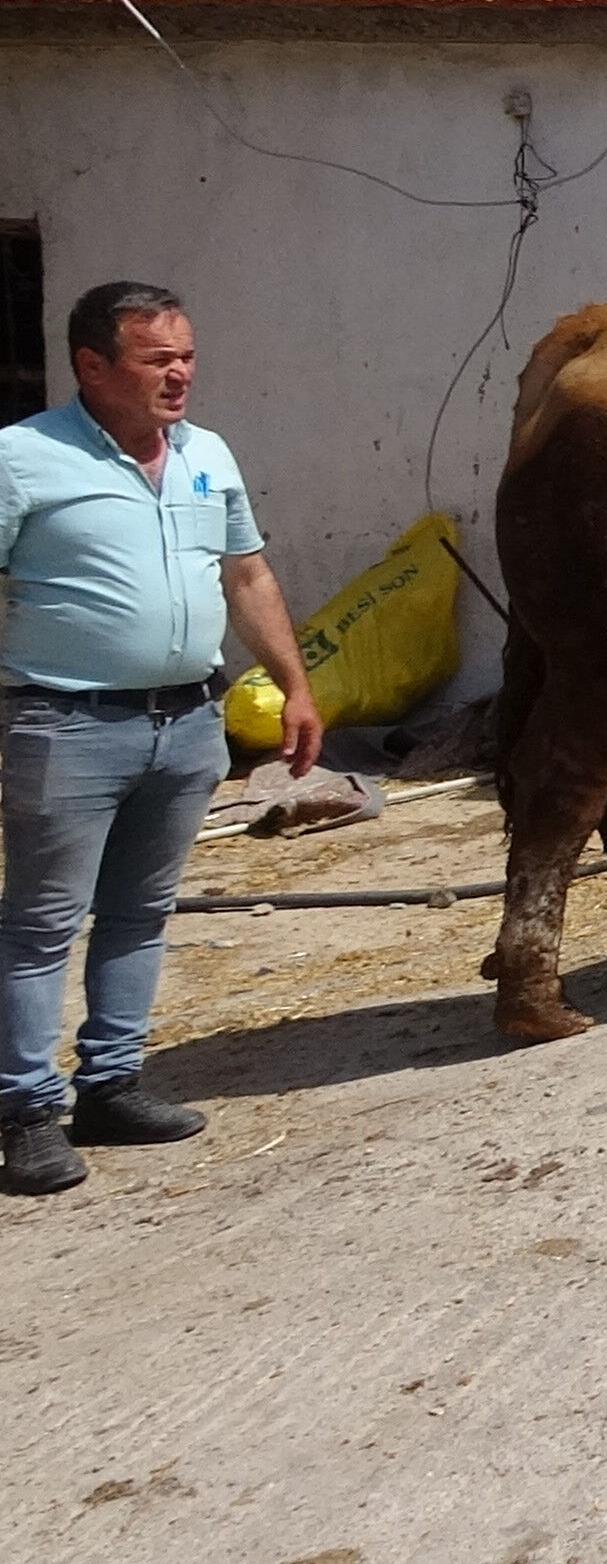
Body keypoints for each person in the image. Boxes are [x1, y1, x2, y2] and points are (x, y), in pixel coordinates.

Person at [1, 283, 318, 1198]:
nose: (180, 374)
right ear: (92, 365)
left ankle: (111, 1085)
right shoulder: (24, 457)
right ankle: (25, 1113)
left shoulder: (205, 454)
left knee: (141, 914)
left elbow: (246, 574)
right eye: (156, 359)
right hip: (66, 723)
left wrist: (297, 685)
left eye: (186, 356)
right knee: (40, 924)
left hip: (185, 722)